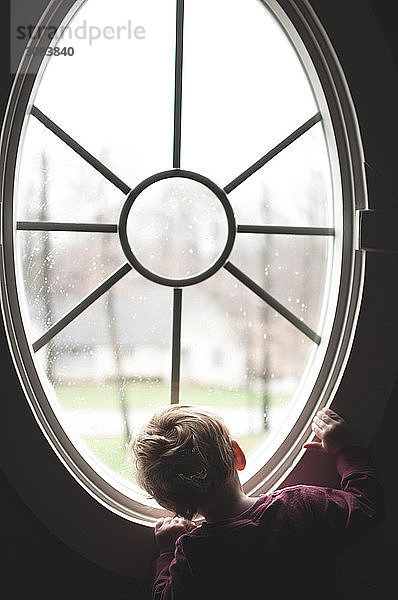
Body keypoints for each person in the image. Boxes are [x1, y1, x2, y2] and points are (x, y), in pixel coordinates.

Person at [131, 405, 384, 599]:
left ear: (175, 505)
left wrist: (166, 553)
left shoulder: (195, 556)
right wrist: (344, 450)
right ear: (238, 456)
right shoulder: (299, 506)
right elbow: (366, 509)